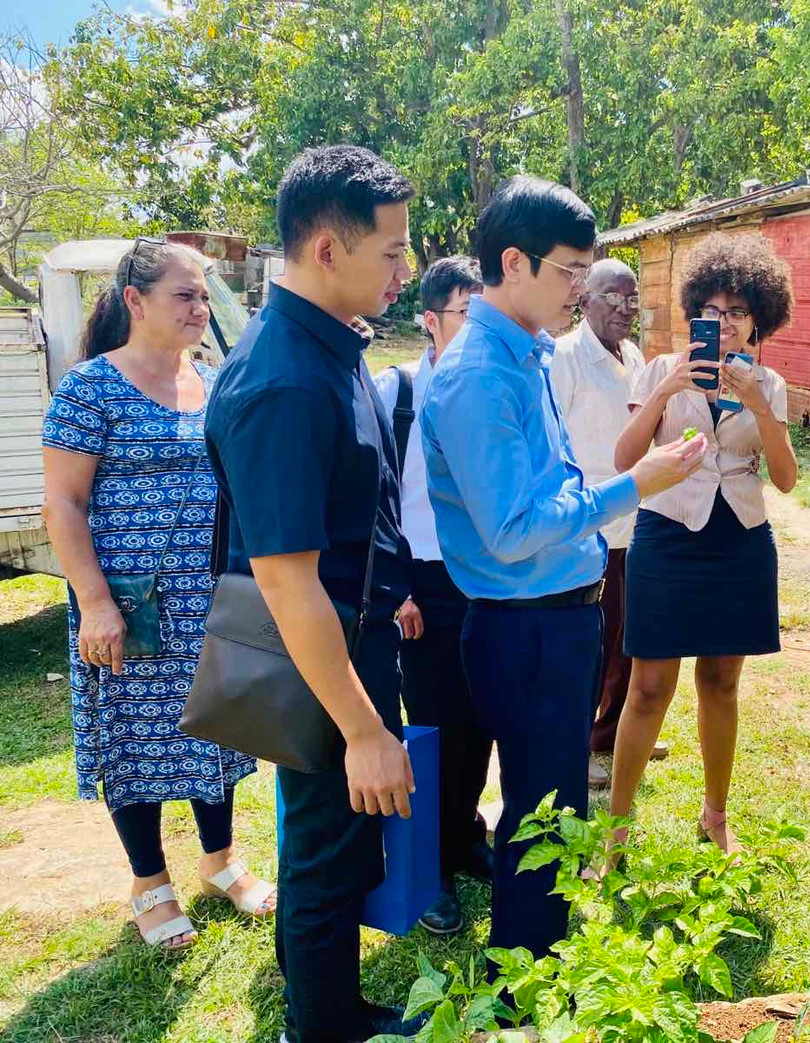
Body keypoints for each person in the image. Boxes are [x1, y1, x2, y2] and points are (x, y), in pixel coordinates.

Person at [420, 175, 706, 960]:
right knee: (538, 814)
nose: (582, 291)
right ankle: (525, 987)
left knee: (551, 807)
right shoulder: (482, 371)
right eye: (571, 272)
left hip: (558, 616)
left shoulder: (524, 352)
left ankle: (535, 964)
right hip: (527, 624)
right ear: (514, 262)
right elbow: (511, 529)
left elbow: (549, 482)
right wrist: (632, 486)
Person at [203, 145, 420, 1043]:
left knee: (330, 840)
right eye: (392, 251)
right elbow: (287, 579)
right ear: (328, 249)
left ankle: (324, 1002)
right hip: (317, 661)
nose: (405, 269)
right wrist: (365, 728)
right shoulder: (283, 378)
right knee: (329, 847)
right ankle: (323, 1024)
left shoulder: (330, 345)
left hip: (350, 643)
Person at [41, 238, 271, 951]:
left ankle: (220, 862)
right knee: (134, 739)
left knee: (215, 728)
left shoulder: (211, 379)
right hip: (130, 601)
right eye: (185, 295)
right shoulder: (89, 389)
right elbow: (63, 505)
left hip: (209, 599)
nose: (201, 308)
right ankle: (150, 882)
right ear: (135, 302)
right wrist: (96, 601)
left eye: (205, 295)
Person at [607, 233, 799, 857]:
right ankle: (618, 825)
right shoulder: (662, 369)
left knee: (721, 683)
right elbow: (623, 458)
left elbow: (789, 478)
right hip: (667, 535)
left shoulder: (766, 383)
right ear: (695, 313)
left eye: (738, 312)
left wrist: (758, 407)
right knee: (648, 687)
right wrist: (665, 392)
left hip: (739, 540)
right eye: (712, 312)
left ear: (757, 320)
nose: (724, 322)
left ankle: (715, 813)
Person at [373, 255, 493, 936]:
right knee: (432, 730)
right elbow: (372, 500)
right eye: (465, 316)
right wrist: (396, 592)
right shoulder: (397, 393)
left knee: (479, 722)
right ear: (429, 319)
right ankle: (430, 868)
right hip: (420, 587)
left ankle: (465, 835)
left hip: (484, 581)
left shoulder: (491, 387)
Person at [551, 259, 669, 786]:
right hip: (588, 521)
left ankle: (615, 732)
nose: (625, 308)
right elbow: (554, 446)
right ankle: (574, 744)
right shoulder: (565, 357)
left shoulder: (634, 355)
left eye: (631, 297)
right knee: (590, 643)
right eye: (613, 297)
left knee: (626, 635)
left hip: (634, 519)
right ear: (585, 299)